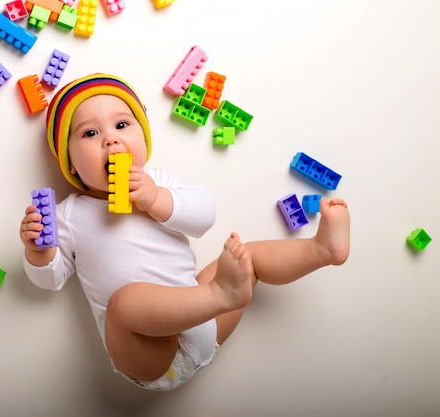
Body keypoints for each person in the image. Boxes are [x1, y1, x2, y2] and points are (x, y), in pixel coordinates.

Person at [19, 73, 350, 391]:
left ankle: (321, 250)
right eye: (89, 134)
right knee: (124, 304)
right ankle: (220, 294)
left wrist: (156, 199)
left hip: (202, 321)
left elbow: (204, 216)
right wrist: (39, 252)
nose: (111, 138)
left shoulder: (160, 181)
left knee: (250, 257)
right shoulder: (70, 214)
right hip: (149, 355)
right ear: (71, 163)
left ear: (144, 140)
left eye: (122, 125)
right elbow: (51, 279)